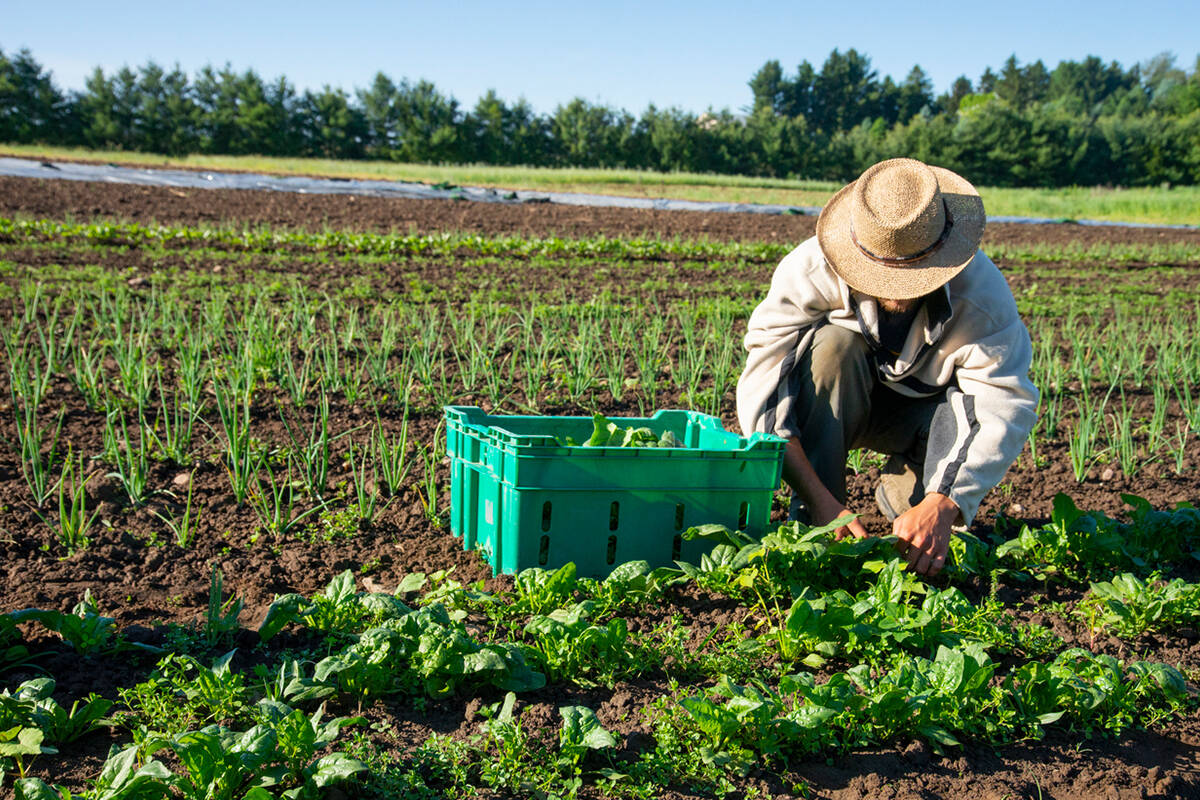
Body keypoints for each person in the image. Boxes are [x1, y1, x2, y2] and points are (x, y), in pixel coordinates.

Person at [736, 158, 1037, 577]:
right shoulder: (809, 270)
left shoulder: (981, 297)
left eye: (913, 275)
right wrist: (823, 502)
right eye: (883, 276)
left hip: (922, 418)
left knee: (924, 532)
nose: (896, 291)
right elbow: (765, 393)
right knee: (832, 348)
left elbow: (1002, 402)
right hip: (840, 400)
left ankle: (907, 492)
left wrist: (943, 504)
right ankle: (817, 520)